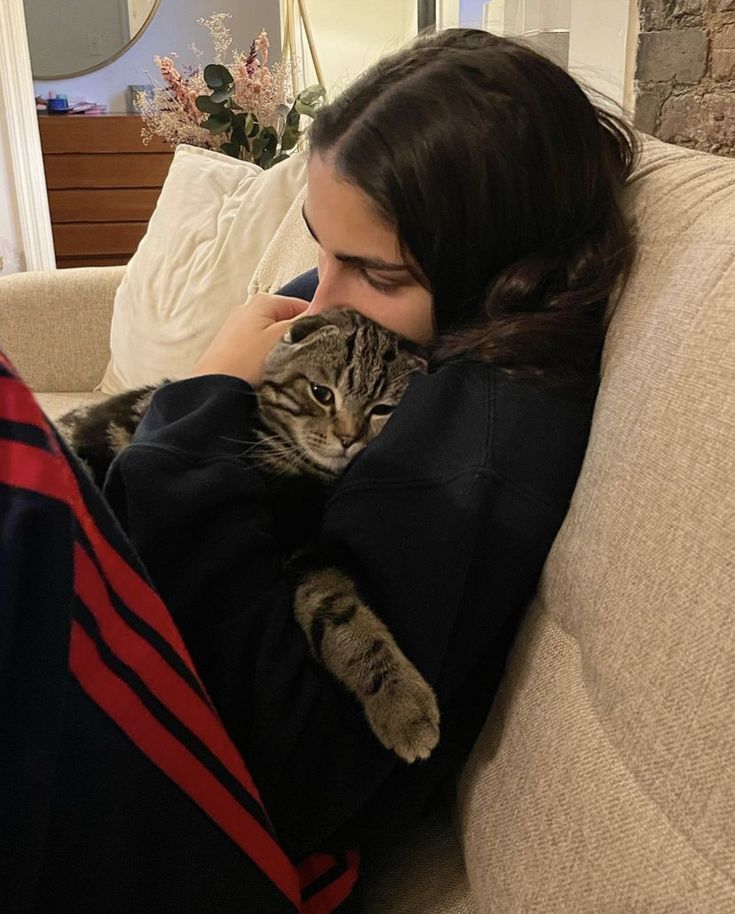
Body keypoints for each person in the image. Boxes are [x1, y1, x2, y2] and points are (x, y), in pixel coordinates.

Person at [0, 28, 637, 914]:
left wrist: (203, 400)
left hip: (172, 795)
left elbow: (291, 761)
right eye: (320, 249)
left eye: (370, 270)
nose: (317, 297)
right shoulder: (408, 323)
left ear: (492, 267)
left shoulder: (470, 449)